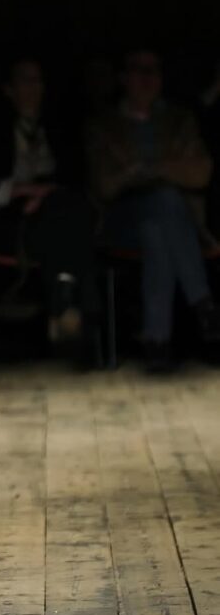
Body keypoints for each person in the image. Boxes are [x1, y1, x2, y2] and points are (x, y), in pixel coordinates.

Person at [86, 46, 220, 372]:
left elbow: (201, 171)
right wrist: (145, 175)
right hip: (121, 221)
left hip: (172, 223)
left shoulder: (179, 120)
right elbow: (104, 185)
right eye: (139, 70)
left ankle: (156, 342)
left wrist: (151, 170)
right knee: (162, 204)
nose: (147, 78)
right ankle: (203, 303)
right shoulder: (103, 125)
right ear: (123, 78)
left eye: (154, 71)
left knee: (158, 226)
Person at [0, 56, 98, 361]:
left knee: (67, 213)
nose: (33, 88)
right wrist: (25, 193)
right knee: (66, 223)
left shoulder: (59, 127)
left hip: (54, 213)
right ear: (9, 89)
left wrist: (45, 195)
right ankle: (68, 304)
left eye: (38, 81)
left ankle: (64, 302)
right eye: (25, 80)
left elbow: (77, 178)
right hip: (10, 221)